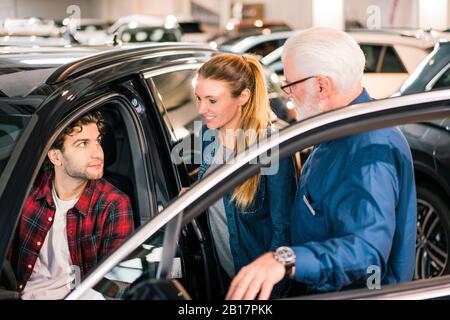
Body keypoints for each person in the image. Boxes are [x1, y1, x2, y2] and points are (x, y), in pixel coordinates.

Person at [226, 27, 417, 300]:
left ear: (321, 86)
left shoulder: (367, 150)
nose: (287, 94)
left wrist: (286, 260)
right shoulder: (336, 128)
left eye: (290, 84)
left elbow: (366, 253)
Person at [194, 53, 297, 298]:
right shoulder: (208, 137)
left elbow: (284, 230)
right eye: (198, 98)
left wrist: (268, 290)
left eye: (212, 100)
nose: (201, 109)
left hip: (258, 288)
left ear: (243, 97)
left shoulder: (272, 147)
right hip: (221, 279)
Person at [8, 111, 134, 299]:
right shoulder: (27, 193)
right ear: (56, 157)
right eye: (83, 144)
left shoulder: (113, 204)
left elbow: (116, 286)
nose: (98, 153)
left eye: (98, 141)